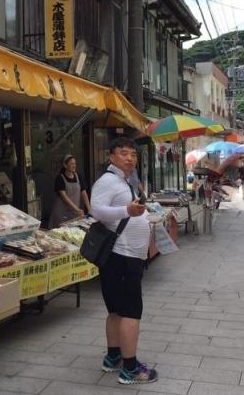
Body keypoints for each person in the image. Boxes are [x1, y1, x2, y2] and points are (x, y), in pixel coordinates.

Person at [90, 137, 157, 385]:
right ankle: (130, 368)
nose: (130, 158)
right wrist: (126, 211)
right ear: (111, 157)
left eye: (133, 155)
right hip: (121, 255)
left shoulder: (124, 180)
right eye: (124, 153)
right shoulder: (107, 181)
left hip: (126, 255)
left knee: (116, 310)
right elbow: (96, 210)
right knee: (130, 312)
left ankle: (113, 357)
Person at [49, 154, 90, 227]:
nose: (74, 166)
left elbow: (84, 193)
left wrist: (89, 209)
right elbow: (64, 196)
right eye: (71, 164)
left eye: (75, 163)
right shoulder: (60, 178)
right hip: (61, 212)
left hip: (74, 212)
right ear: (65, 165)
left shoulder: (78, 176)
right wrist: (77, 209)